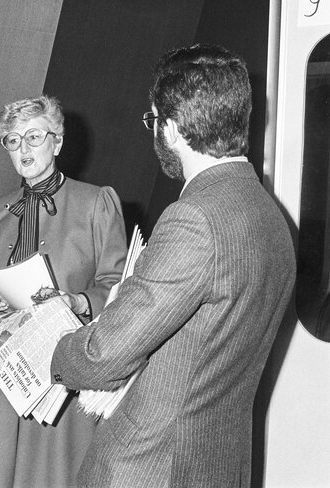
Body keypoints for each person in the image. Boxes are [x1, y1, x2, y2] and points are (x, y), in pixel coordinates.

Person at [51, 44, 296, 487]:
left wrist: (54, 349)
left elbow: (103, 357)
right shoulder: (271, 216)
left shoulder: (195, 218)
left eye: (154, 120)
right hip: (218, 465)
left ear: (174, 128)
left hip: (149, 467)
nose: (155, 132)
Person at [0, 95, 127, 487]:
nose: (23, 148)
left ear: (57, 143)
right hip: (12, 370)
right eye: (12, 140)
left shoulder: (97, 202)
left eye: (33, 137)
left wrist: (79, 301)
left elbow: (119, 285)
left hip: (68, 366)